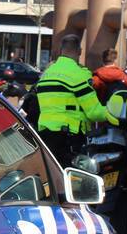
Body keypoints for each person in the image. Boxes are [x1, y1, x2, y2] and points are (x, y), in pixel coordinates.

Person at [35, 35, 109, 166]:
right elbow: (94, 112)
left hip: (45, 136)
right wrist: (114, 112)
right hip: (69, 137)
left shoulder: (46, 74)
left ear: (60, 50)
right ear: (80, 51)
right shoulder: (79, 75)